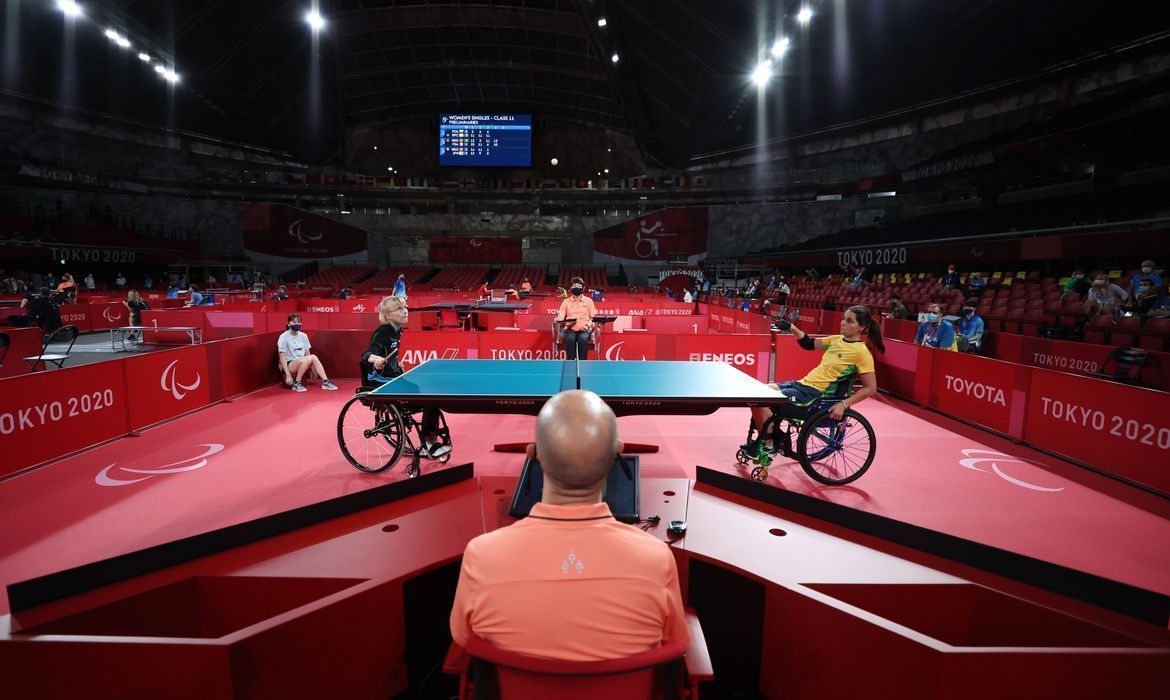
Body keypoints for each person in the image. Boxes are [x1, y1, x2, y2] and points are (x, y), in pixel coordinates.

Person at [450, 389, 688, 661]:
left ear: (532, 454)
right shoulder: (656, 559)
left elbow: (464, 638)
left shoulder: (480, 556)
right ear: (617, 453)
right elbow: (675, 642)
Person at [742, 306, 883, 456]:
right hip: (802, 384)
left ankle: (769, 445)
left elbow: (871, 388)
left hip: (814, 395)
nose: (843, 323)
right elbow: (808, 343)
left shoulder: (862, 353)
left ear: (862, 327)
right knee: (756, 392)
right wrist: (791, 327)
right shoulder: (837, 339)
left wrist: (844, 404)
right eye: (844, 318)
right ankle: (772, 437)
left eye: (849, 321)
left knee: (761, 399)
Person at [360, 296, 449, 458]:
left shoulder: (398, 330)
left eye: (405, 307)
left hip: (395, 377)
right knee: (430, 399)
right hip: (382, 383)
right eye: (399, 309)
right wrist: (377, 359)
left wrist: (395, 363)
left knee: (434, 394)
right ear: (388, 315)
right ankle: (427, 443)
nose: (405, 310)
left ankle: (429, 440)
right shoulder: (382, 332)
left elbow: (390, 352)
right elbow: (366, 355)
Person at [278, 314, 338, 393]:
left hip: (303, 362)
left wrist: (313, 369)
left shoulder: (303, 336)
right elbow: (282, 358)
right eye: (294, 322)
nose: (297, 324)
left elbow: (308, 354)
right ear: (288, 324)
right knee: (306, 359)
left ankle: (326, 381)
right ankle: (297, 383)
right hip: (290, 364)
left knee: (313, 357)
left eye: (299, 322)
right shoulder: (283, 337)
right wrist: (288, 375)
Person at [554, 277, 598, 360]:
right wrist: (559, 318)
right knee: (570, 339)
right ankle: (570, 361)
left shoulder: (589, 301)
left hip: (585, 329)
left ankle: (583, 361)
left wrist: (588, 326)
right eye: (574, 286)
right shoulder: (566, 301)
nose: (576, 287)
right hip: (570, 329)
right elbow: (561, 314)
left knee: (582, 339)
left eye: (579, 285)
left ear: (583, 288)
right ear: (571, 288)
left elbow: (592, 317)